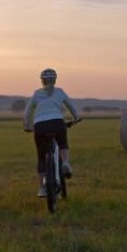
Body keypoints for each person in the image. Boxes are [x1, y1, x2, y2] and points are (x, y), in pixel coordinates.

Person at [24, 68, 81, 197]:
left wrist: (27, 126)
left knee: (41, 157)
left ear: (42, 81)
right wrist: (76, 118)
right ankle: (65, 163)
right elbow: (71, 107)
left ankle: (42, 188)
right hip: (57, 122)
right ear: (55, 80)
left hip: (40, 126)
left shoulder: (36, 94)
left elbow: (27, 113)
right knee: (63, 144)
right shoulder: (60, 92)